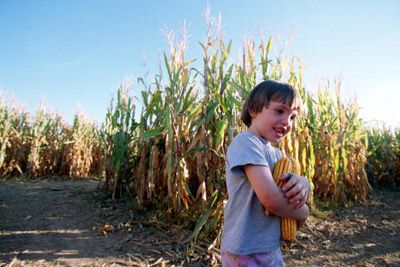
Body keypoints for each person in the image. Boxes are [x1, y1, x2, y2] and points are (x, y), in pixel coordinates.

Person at [220, 80, 310, 266]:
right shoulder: (246, 143)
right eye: (279, 111)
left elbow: (288, 199)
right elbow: (271, 199)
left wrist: (303, 183)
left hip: (269, 247)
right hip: (244, 250)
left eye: (293, 117)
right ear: (253, 110)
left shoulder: (279, 155)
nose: (287, 122)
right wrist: (304, 212)